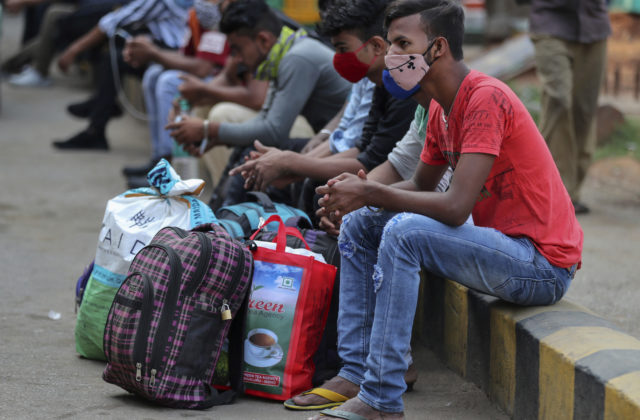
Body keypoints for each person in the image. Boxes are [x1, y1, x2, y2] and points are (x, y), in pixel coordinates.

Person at [291, 1, 583, 419]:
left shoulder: (484, 98)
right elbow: (419, 186)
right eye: (390, 43)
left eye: (402, 43)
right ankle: (356, 371)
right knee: (360, 225)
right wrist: (357, 194)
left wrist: (373, 193)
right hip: (503, 250)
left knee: (405, 231)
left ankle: (381, 398)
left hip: (540, 266)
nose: (391, 56)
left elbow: (453, 206)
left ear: (438, 47)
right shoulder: (439, 111)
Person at [228, 0, 416, 213]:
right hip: (357, 161)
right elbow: (363, 146)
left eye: (343, 49)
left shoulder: (403, 87)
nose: (337, 59)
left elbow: (372, 161)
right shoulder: (380, 82)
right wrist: (294, 165)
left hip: (387, 184)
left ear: (377, 46)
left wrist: (293, 163)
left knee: (315, 185)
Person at [166, 0, 351, 205]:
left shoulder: (297, 57)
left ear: (263, 40)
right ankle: (221, 212)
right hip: (319, 138)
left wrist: (208, 130)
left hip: (334, 143)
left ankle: (229, 214)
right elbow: (266, 119)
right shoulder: (279, 54)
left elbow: (273, 131)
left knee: (252, 146)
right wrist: (213, 137)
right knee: (246, 145)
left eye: (237, 50)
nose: (236, 59)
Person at [51, 0, 193, 150]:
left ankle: (99, 114)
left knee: (121, 58)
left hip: (177, 59)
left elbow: (111, 22)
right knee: (119, 50)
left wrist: (73, 50)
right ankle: (101, 106)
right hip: (173, 53)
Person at [121, 0, 231, 186]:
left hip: (225, 79)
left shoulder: (228, 17)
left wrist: (154, 53)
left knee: (169, 81)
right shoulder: (196, 14)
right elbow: (185, 56)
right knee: (154, 74)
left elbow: (204, 68)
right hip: (208, 74)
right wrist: (149, 51)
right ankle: (158, 160)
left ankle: (169, 166)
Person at [529, 0, 610, 214]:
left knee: (584, 110)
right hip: (550, 23)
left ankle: (571, 191)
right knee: (559, 100)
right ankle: (551, 187)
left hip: (594, 27)